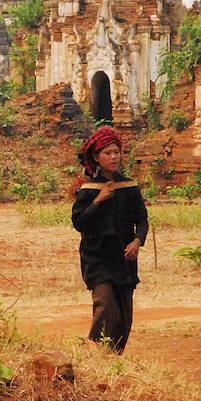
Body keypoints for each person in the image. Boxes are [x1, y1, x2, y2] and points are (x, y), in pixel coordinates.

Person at [71, 126, 149, 354]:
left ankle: (113, 358)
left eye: (116, 152)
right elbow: (79, 223)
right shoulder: (88, 190)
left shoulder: (129, 187)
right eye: (108, 153)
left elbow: (142, 220)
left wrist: (137, 242)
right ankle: (94, 353)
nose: (114, 157)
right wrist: (99, 200)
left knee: (124, 315)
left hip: (124, 259)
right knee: (106, 305)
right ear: (96, 157)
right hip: (97, 258)